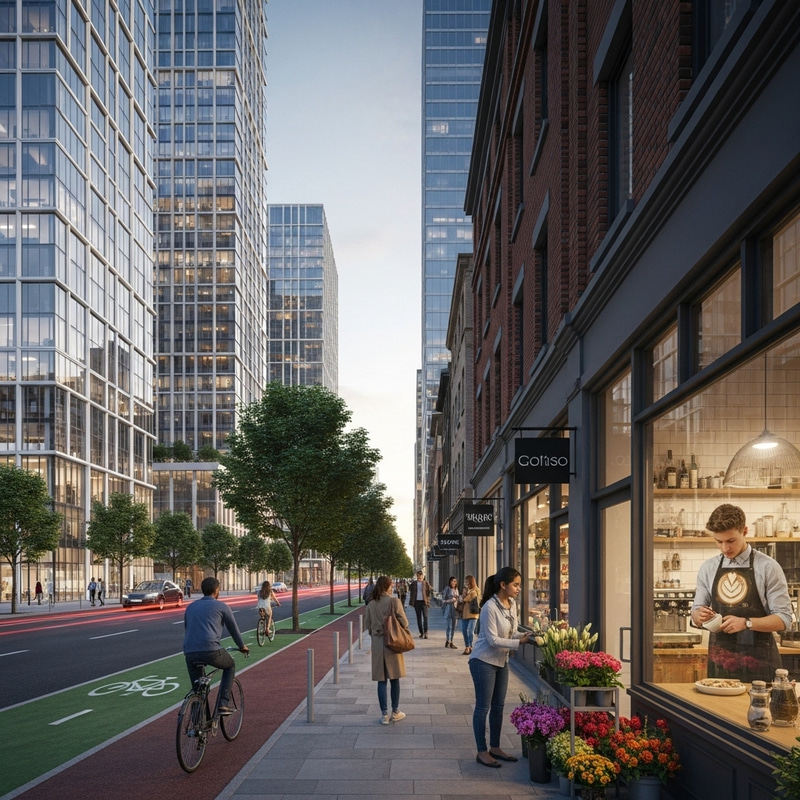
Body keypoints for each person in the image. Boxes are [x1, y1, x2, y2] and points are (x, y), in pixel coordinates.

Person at [691, 503, 792, 682]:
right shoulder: (708, 568)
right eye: (718, 541)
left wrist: (746, 623)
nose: (724, 548)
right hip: (721, 662)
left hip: (760, 664)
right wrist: (698, 616)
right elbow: (696, 612)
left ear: (745, 531)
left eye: (730, 541)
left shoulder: (768, 567)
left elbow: (784, 620)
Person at [469, 566, 532, 768]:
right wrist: (517, 643)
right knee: (483, 707)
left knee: (498, 707)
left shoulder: (512, 604)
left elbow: (509, 633)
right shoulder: (489, 607)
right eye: (515, 585)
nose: (518, 589)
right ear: (503, 585)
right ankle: (481, 751)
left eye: (519, 585)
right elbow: (493, 639)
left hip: (501, 661)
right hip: (483, 661)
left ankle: (495, 747)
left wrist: (521, 637)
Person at [183, 576, 249, 713]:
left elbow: (187, 628)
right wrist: (242, 646)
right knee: (230, 666)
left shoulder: (190, 607)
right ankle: (223, 703)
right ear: (216, 590)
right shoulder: (222, 606)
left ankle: (198, 721)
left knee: (198, 689)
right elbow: (234, 630)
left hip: (189, 652)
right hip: (211, 650)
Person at [364, 575, 410, 724]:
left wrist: (377, 634)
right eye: (391, 585)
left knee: (381, 680)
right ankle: (395, 711)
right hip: (393, 643)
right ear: (387, 587)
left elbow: (368, 625)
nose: (392, 587)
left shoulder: (371, 604)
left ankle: (384, 714)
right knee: (395, 678)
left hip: (378, 644)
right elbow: (405, 622)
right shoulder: (394, 602)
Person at [460, 574, 480, 655]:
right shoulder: (466, 591)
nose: (466, 583)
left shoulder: (475, 590)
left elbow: (465, 599)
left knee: (470, 631)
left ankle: (470, 647)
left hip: (473, 613)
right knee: (464, 630)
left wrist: (465, 596)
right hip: (465, 613)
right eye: (465, 582)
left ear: (471, 582)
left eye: (467, 581)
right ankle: (467, 645)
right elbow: (461, 599)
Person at [408, 569, 432, 638]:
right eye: (418, 576)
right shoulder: (414, 583)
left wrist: (428, 600)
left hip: (424, 602)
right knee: (419, 618)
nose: (419, 578)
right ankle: (421, 632)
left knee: (425, 617)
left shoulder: (426, 583)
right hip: (417, 602)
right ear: (417, 576)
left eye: (421, 576)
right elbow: (411, 592)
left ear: (423, 576)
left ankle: (426, 632)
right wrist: (412, 602)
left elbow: (429, 592)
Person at [442, 576, 460, 649]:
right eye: (452, 581)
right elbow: (443, 600)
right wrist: (450, 600)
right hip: (448, 608)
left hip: (455, 609)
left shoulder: (456, 589)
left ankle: (451, 641)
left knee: (454, 626)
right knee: (449, 626)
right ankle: (448, 641)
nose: (453, 582)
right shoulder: (447, 589)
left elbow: (457, 599)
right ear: (450, 582)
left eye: (455, 581)